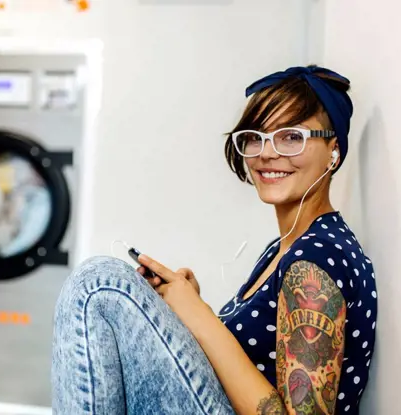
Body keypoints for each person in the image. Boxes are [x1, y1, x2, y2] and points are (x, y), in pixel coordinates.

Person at [51, 65, 378, 415]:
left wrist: (199, 316)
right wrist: (185, 305)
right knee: (106, 289)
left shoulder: (316, 259)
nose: (267, 153)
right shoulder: (283, 250)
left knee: (99, 284)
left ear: (333, 150)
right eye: (256, 137)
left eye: (291, 136)